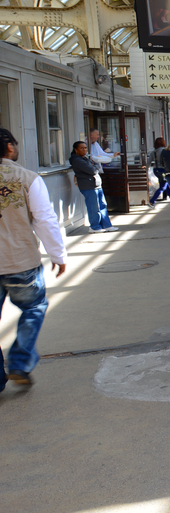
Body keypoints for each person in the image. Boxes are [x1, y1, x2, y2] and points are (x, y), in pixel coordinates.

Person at [0, 128, 67, 390]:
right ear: (8, 148)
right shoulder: (27, 178)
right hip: (20, 261)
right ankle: (19, 361)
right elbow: (45, 220)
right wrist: (58, 254)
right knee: (33, 308)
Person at [70, 141, 119, 234]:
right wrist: (96, 165)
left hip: (96, 184)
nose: (84, 150)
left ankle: (106, 225)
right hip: (88, 186)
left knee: (102, 205)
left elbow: (93, 167)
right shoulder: (76, 160)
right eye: (81, 148)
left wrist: (94, 165)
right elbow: (92, 170)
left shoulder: (84, 158)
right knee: (94, 207)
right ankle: (94, 227)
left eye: (85, 148)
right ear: (76, 150)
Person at [149, 137, 170, 206]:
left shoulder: (153, 152)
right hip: (163, 170)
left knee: (167, 186)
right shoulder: (165, 150)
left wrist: (145, 169)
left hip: (156, 170)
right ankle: (152, 201)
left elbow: (148, 162)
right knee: (163, 187)